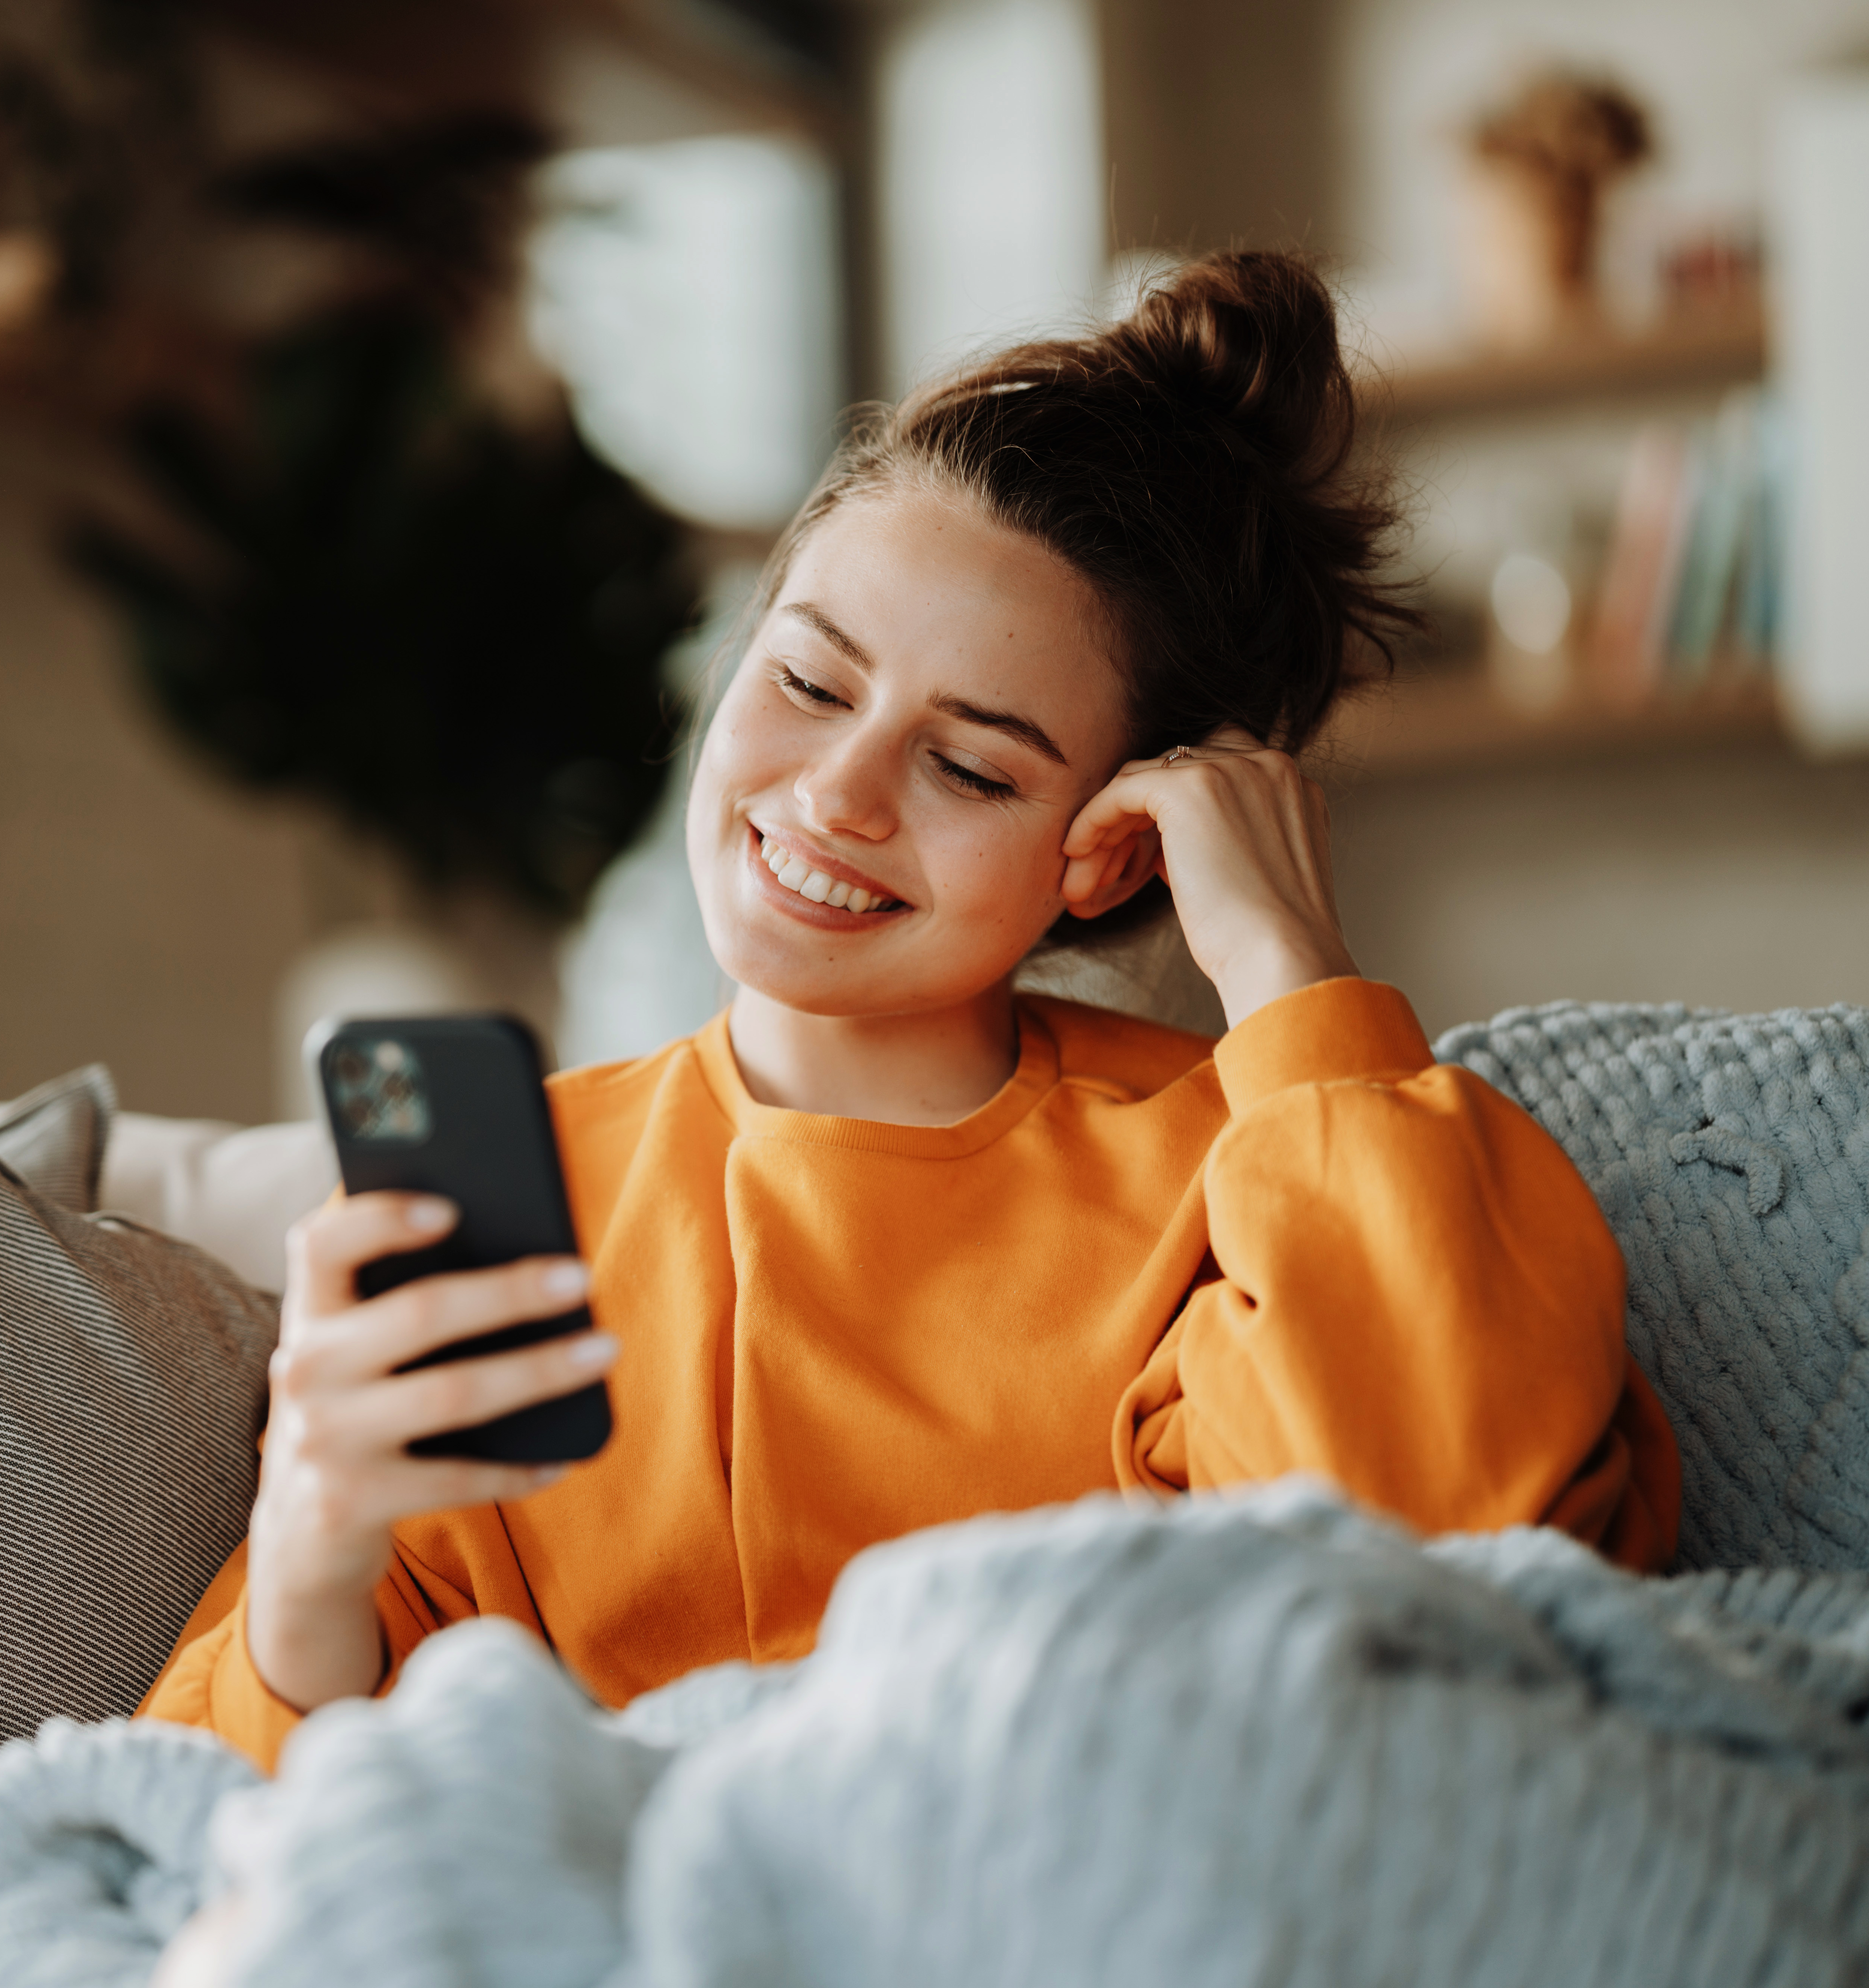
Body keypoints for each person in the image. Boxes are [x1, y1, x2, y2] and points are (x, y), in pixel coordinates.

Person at [139, 251, 1680, 1784]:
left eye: (972, 769)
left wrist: (1283, 960)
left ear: (1114, 845)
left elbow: (1441, 1594)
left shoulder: (1252, 1171)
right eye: (808, 682)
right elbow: (226, 1820)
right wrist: (312, 1554)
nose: (835, 794)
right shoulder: (521, 1194)